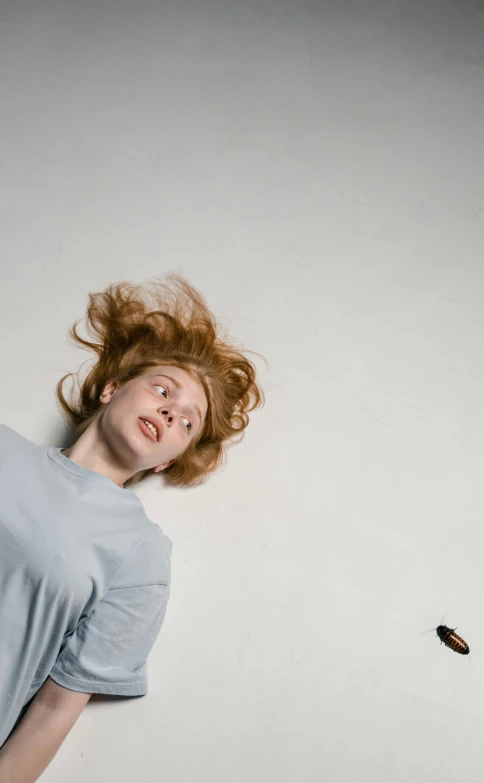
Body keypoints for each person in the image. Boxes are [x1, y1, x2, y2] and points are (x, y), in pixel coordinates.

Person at [0, 273, 264, 781]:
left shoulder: (142, 555)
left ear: (169, 462)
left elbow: (55, 710)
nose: (171, 411)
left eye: (188, 422)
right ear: (110, 389)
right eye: (163, 390)